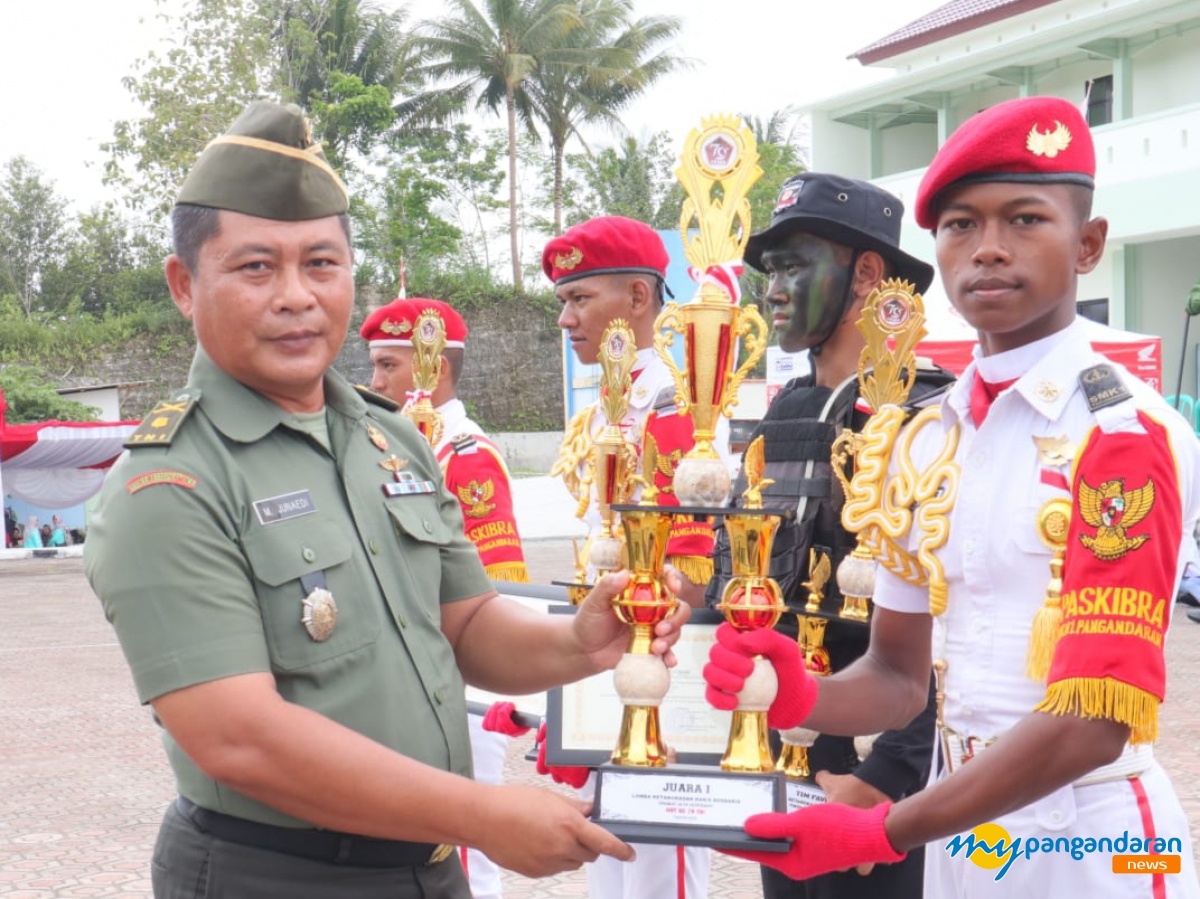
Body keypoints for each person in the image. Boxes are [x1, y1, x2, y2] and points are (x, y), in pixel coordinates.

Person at [84, 100, 689, 899]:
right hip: (275, 877)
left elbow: (465, 622)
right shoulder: (170, 483)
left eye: (322, 264)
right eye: (256, 267)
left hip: (427, 869)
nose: (297, 295)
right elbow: (240, 738)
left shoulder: (390, 437)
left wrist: (580, 640)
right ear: (184, 286)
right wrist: (483, 813)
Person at [704, 95, 1200, 897]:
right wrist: (798, 690)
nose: (989, 250)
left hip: (1094, 838)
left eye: (1026, 220)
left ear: (1090, 244)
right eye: (961, 225)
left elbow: (1093, 722)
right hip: (963, 834)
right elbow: (899, 676)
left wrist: (880, 826)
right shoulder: (925, 435)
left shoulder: (1122, 434)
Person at [695, 172, 950, 899]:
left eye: (794, 264)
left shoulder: (930, 417)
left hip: (886, 781)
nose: (772, 288)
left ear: (867, 274)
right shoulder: (784, 414)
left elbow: (943, 622)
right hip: (784, 756)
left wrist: (884, 779)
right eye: (769, 271)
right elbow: (740, 589)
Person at [541, 215, 726, 899]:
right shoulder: (604, 411)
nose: (566, 320)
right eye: (564, 301)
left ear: (639, 300)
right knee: (614, 857)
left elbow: (695, 565)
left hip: (661, 663)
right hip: (608, 659)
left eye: (580, 298)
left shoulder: (675, 405)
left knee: (658, 865)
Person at [360, 296, 529, 899]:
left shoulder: (465, 456)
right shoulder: (392, 449)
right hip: (408, 676)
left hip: (458, 680)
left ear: (433, 368)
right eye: (375, 366)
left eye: (388, 366)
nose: (374, 380)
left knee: (463, 852)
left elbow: (495, 584)